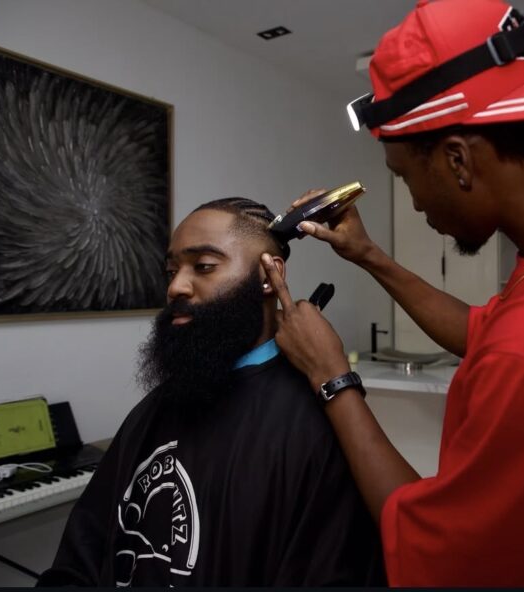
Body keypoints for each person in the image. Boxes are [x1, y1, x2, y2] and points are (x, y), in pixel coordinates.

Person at [259, 0, 524, 586]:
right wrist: (369, 256)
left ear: (458, 159)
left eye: (404, 177)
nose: (414, 201)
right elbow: (486, 333)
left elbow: (432, 547)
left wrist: (333, 378)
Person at [38, 198, 385, 587]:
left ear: (269, 276)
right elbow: (80, 560)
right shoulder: (152, 411)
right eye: (171, 270)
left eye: (203, 266)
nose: (175, 286)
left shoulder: (313, 424)